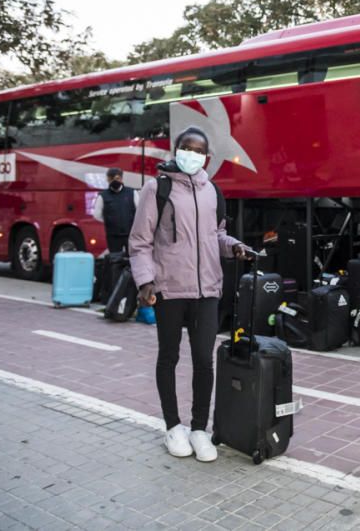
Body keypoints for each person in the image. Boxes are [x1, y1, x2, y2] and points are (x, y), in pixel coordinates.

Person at [128, 126, 252, 461]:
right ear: (176, 149)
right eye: (187, 147)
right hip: (169, 288)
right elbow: (140, 241)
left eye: (198, 150)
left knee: (203, 360)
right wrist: (145, 282)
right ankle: (172, 426)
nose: (192, 154)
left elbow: (217, 235)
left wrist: (234, 247)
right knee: (169, 356)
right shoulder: (158, 188)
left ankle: (199, 428)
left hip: (207, 289)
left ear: (206, 156)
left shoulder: (212, 191)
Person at [92, 168, 139, 253]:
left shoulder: (132, 193)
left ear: (121, 179)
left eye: (117, 178)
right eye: (111, 179)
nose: (114, 181)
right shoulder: (102, 196)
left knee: (133, 260)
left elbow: (139, 211)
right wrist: (109, 220)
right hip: (113, 236)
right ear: (108, 180)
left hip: (130, 235)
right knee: (115, 261)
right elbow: (97, 215)